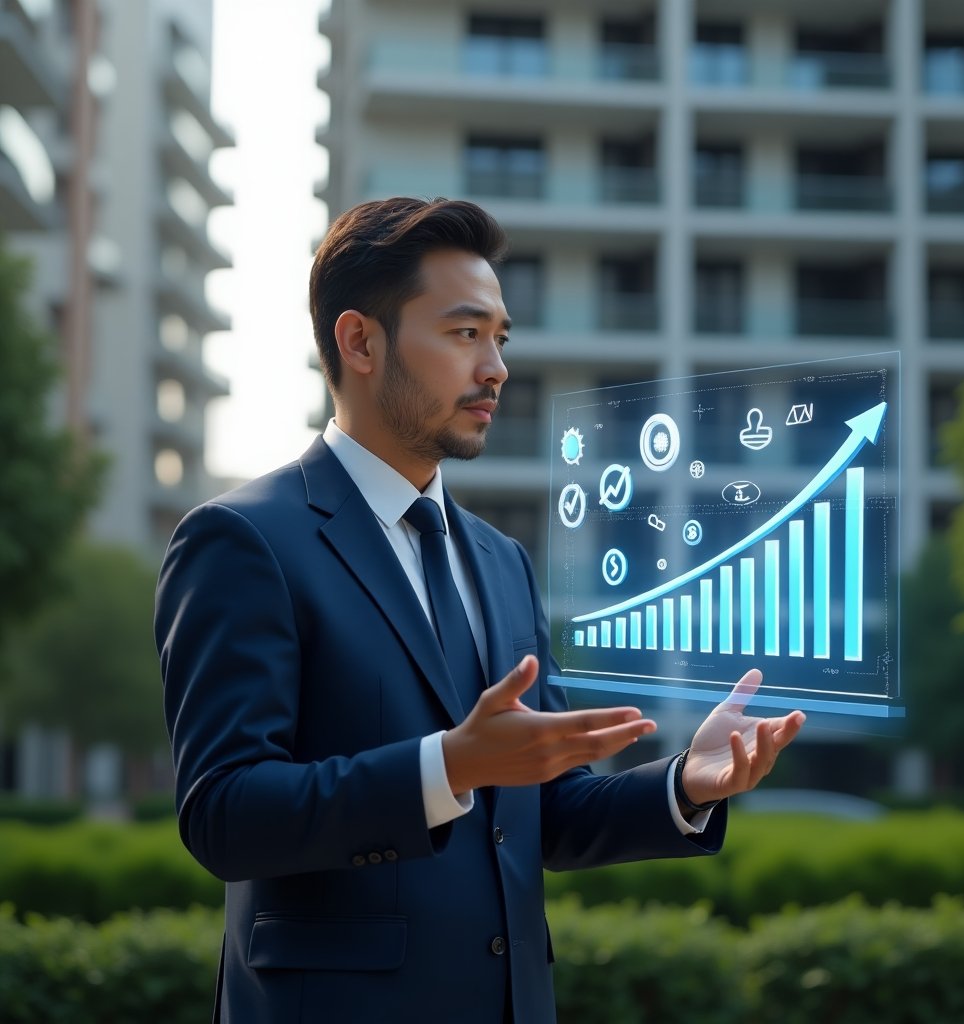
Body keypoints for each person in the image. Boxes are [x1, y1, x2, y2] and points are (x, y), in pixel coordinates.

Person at [155, 196, 805, 1023]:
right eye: (466, 334)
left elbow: (548, 810)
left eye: (500, 338)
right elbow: (225, 815)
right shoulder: (244, 541)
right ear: (360, 341)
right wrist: (447, 766)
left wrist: (684, 784)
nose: (495, 368)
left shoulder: (502, 561)